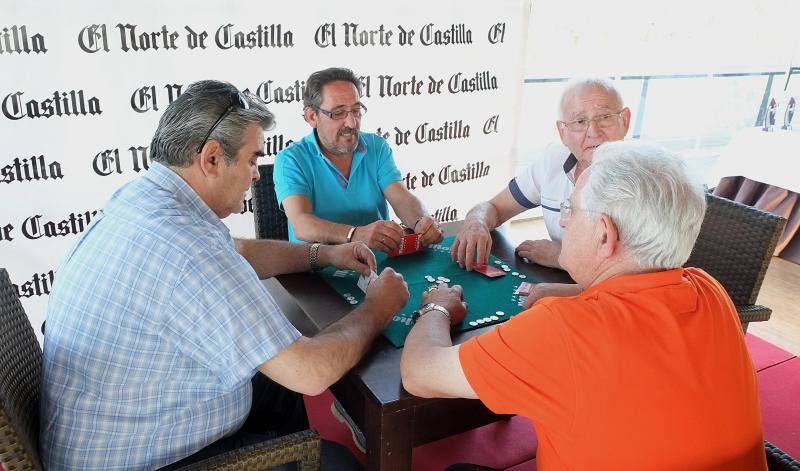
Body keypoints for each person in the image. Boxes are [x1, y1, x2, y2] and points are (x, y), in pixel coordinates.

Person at [40, 80, 410, 470]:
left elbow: (241, 251)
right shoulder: (188, 248)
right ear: (212, 158)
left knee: (275, 386)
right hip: (143, 461)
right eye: (252, 159)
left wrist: (325, 253)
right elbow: (310, 371)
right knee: (337, 462)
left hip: (108, 430)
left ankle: (289, 448)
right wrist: (378, 306)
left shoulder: (148, 198)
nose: (255, 175)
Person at [401, 140, 768, 470]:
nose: (562, 221)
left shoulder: (562, 331)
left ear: (605, 235)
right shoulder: (709, 290)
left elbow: (419, 373)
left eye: (570, 210)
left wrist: (438, 308)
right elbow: (643, 313)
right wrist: (569, 293)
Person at [451, 77, 631, 304]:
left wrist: (561, 257)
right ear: (562, 132)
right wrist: (476, 222)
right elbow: (494, 208)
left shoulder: (648, 177)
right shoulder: (552, 161)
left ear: (625, 120)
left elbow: (643, 281)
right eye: (579, 121)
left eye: (604, 117)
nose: (593, 131)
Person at [274, 67, 443, 254]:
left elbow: (402, 198)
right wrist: (355, 234)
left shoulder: (377, 147)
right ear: (312, 116)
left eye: (356, 110)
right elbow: (302, 224)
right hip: (318, 268)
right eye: (338, 113)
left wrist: (421, 221)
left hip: (376, 261)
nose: (352, 123)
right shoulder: (290, 159)